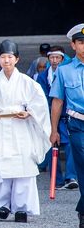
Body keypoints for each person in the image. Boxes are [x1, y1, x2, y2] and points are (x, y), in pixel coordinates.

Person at [0, 40, 51, 223]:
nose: (6, 60)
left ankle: (22, 208)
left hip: (21, 127)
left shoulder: (27, 82)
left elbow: (39, 104)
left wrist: (29, 112)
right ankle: (3, 205)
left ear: (17, 59)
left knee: (23, 169)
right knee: (0, 170)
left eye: (9, 57)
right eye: (3, 57)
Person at [49, 24, 84, 228]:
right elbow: (57, 101)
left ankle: (82, 209)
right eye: (81, 42)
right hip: (77, 124)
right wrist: (54, 130)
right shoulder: (64, 71)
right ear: (73, 45)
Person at [37, 46, 77, 189]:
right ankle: (56, 179)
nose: (54, 61)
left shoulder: (67, 73)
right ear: (48, 59)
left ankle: (71, 177)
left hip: (66, 115)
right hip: (48, 114)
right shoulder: (42, 76)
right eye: (52, 57)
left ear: (62, 59)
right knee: (51, 146)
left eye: (57, 58)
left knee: (70, 146)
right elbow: (40, 97)